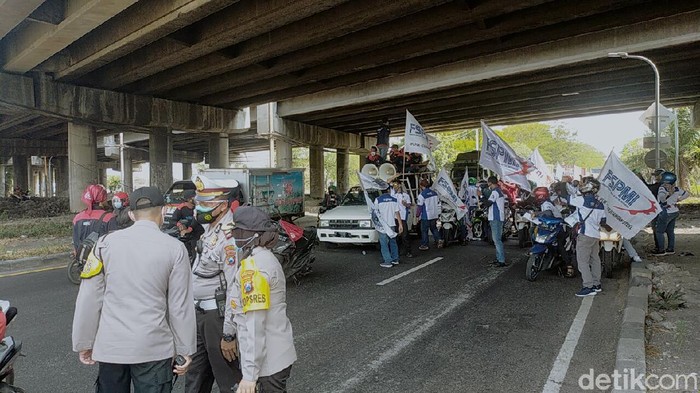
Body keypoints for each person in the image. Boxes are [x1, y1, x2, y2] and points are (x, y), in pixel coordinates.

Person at [72, 186, 196, 392]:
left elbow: (89, 297)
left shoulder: (104, 244)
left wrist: (84, 341)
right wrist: (185, 349)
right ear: (164, 211)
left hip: (111, 347)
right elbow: (180, 306)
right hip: (153, 347)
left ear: (130, 214)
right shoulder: (175, 249)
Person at [221, 206, 297, 393]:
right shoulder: (262, 259)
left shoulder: (254, 269)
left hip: (267, 363)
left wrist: (249, 376)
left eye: (237, 231)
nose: (234, 235)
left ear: (251, 234)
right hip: (275, 355)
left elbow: (255, 325)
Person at [186, 175, 245, 393]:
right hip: (199, 315)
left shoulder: (228, 238)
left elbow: (234, 287)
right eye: (198, 201)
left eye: (205, 203)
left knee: (228, 377)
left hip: (217, 318)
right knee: (195, 376)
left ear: (222, 205)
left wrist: (229, 334)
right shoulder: (210, 230)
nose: (198, 207)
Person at [570, 179, 608, 297]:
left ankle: (588, 286)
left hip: (585, 235)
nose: (581, 185)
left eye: (583, 184)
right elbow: (603, 222)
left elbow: (568, 198)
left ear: (588, 187)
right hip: (595, 235)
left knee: (582, 262)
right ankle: (597, 284)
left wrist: (568, 184)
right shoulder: (600, 204)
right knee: (595, 259)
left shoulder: (581, 200)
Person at [72, 184, 117, 255]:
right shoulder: (109, 217)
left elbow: (75, 241)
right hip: (101, 261)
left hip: (82, 259)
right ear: (102, 199)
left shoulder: (77, 217)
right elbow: (115, 243)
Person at [652, 171, 689, 256]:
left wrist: (666, 198)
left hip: (665, 212)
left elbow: (661, 197)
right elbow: (687, 194)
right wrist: (679, 199)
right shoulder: (676, 189)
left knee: (659, 231)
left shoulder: (662, 188)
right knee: (670, 231)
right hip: (674, 211)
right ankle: (670, 249)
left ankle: (661, 250)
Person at [169, 190, 204, 264]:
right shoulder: (181, 208)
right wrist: (179, 225)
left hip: (199, 234)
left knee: (197, 256)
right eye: (194, 197)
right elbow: (173, 220)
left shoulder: (199, 207)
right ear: (189, 199)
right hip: (187, 236)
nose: (197, 199)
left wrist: (189, 229)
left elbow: (196, 220)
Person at [375, 185, 403, 268]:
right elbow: (397, 213)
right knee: (393, 242)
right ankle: (395, 259)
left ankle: (387, 261)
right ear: (388, 190)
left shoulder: (378, 200)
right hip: (392, 224)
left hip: (382, 225)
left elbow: (375, 213)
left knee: (384, 243)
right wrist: (400, 224)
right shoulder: (394, 200)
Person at [482, 176, 507, 267]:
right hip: (497, 218)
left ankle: (501, 260)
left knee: (497, 240)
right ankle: (499, 258)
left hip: (496, 218)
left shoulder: (495, 192)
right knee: (496, 239)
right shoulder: (498, 191)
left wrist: (481, 196)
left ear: (490, 183)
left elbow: (488, 203)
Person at [416, 179, 442, 250]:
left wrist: (417, 216)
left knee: (424, 230)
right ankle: (439, 239)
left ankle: (425, 245)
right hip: (434, 214)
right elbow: (438, 203)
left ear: (421, 186)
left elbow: (420, 207)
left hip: (426, 215)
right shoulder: (434, 193)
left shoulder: (422, 195)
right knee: (434, 228)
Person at [391, 181, 413, 258]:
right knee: (396, 235)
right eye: (396, 186)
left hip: (403, 217)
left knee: (405, 235)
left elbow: (409, 206)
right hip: (394, 217)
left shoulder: (406, 195)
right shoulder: (393, 195)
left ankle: (408, 251)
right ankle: (397, 251)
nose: (398, 188)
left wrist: (405, 204)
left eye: (399, 186)